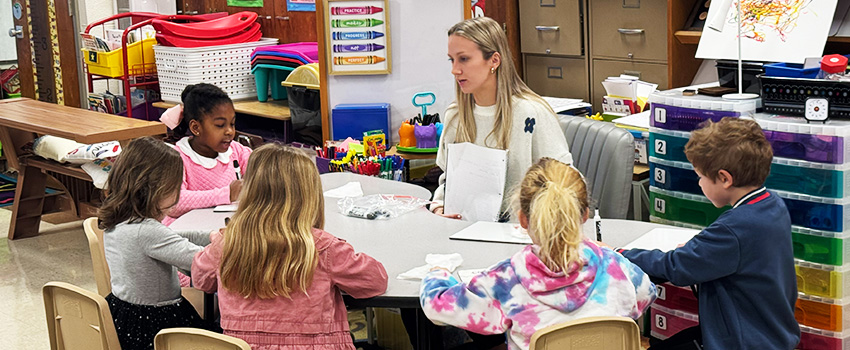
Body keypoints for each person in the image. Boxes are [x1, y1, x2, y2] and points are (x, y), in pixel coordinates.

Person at [420, 158, 656, 350]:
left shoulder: (506, 281)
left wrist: (437, 272)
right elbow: (647, 294)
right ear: (585, 215)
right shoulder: (616, 267)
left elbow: (437, 306)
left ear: (523, 219)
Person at [618, 118, 800, 350]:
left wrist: (619, 253)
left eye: (701, 176)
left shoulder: (733, 229)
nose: (699, 183)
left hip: (742, 341)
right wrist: (702, 252)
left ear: (725, 178)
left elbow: (674, 266)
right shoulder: (773, 205)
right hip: (770, 334)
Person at [191, 143, 388, 350]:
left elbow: (200, 279)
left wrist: (218, 245)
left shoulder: (227, 244)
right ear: (309, 196)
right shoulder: (323, 247)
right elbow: (375, 281)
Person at [431, 16, 574, 220]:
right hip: (464, 229)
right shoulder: (455, 115)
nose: (455, 70)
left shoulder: (531, 113)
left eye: (464, 59)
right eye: (451, 60)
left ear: (494, 61)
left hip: (521, 234)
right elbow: (447, 182)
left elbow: (564, 183)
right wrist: (439, 207)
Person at [98, 136, 215, 350]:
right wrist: (225, 246)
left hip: (124, 315)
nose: (177, 195)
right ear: (153, 189)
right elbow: (200, 261)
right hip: (156, 323)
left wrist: (212, 236)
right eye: (174, 188)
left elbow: (174, 237)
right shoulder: (147, 232)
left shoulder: (120, 220)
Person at [160, 83, 252, 226]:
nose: (229, 131)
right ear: (196, 128)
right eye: (220, 125)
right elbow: (173, 202)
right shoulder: (176, 158)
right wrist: (227, 194)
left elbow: (261, 169)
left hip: (225, 229)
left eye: (232, 124)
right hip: (188, 234)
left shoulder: (236, 150)